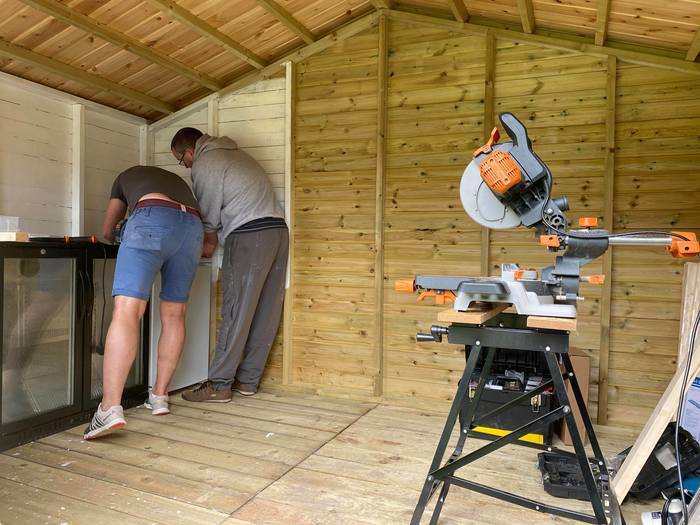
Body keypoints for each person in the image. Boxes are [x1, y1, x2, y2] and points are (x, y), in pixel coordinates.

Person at [84, 165, 203, 439]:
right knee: (175, 314)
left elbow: (106, 230)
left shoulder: (123, 177)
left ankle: (109, 408)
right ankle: (160, 396)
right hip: (192, 228)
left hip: (152, 216)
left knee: (127, 310)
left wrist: (124, 232)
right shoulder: (178, 183)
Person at [170, 128, 288, 403]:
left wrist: (202, 246)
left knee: (236, 308)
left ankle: (220, 384)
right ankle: (248, 381)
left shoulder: (206, 162)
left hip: (249, 233)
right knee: (265, 310)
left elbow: (209, 217)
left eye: (181, 160)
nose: (186, 166)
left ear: (189, 152)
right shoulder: (236, 154)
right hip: (278, 231)